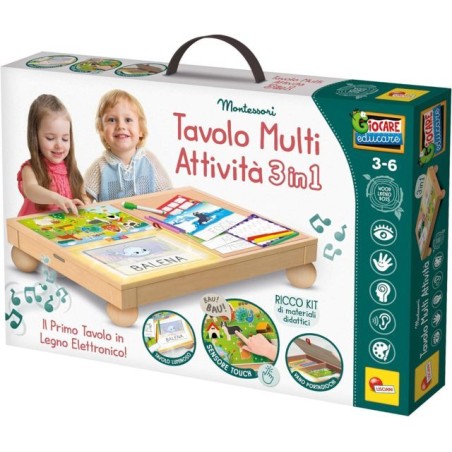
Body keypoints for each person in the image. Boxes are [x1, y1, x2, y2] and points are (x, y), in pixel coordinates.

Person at [84, 89, 172, 202]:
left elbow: (168, 194)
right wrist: (83, 202)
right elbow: (84, 198)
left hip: (146, 213)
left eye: (128, 120)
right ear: (102, 131)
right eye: (112, 120)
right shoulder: (99, 166)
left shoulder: (150, 161)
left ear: (140, 130)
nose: (120, 126)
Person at [17, 94, 87, 216]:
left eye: (65, 139)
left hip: (63, 225)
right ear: (35, 136)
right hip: (36, 226)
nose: (59, 145)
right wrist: (56, 198)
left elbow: (83, 196)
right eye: (50, 138)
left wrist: (85, 203)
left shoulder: (70, 168)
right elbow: (31, 190)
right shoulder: (29, 169)